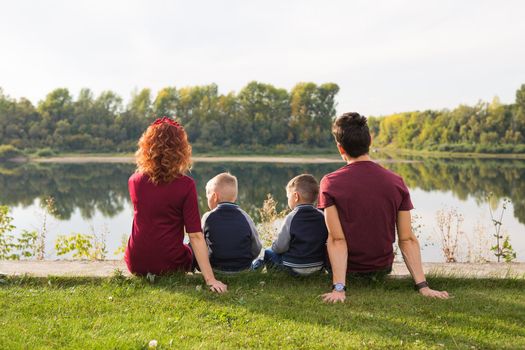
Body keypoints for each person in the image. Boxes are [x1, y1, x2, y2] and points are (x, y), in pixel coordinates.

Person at [318, 112, 449, 303]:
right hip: (381, 269)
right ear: (369, 142)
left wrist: (339, 289)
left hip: (346, 270)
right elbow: (407, 238)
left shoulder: (330, 182)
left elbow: (337, 239)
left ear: (340, 148)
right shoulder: (396, 182)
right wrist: (423, 286)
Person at [124, 116, 227, 293]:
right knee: (193, 248)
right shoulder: (186, 185)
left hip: (136, 263)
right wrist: (210, 279)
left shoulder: (134, 181)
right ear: (180, 150)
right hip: (170, 264)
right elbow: (195, 235)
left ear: (147, 147)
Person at [253, 174, 328, 276]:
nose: (288, 200)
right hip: (318, 266)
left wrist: (274, 245)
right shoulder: (322, 216)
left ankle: (264, 273)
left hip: (293, 268)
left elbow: (280, 248)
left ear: (296, 196)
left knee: (268, 252)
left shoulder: (291, 217)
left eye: (288, 196)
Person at [201, 172, 262, 273]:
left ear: (215, 196)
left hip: (215, 269)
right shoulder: (246, 216)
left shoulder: (207, 217)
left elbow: (200, 244)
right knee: (261, 259)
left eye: (208, 197)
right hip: (243, 269)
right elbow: (256, 247)